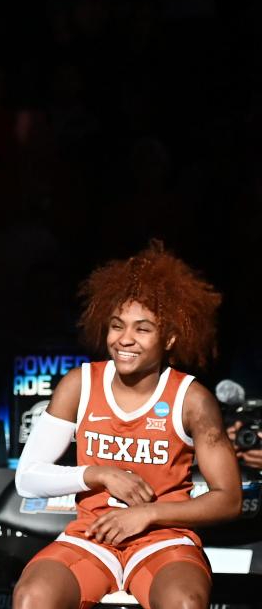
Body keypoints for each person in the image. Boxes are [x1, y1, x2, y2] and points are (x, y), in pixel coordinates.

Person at [12, 240, 242, 609]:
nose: (125, 340)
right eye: (117, 326)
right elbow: (27, 478)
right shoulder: (79, 384)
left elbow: (228, 500)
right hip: (91, 537)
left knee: (184, 602)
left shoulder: (192, 398)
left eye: (143, 329)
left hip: (163, 539)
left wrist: (148, 513)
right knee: (31, 596)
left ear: (168, 338)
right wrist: (97, 474)